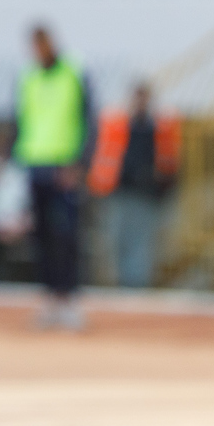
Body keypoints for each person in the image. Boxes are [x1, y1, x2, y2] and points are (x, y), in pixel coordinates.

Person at [7, 25, 96, 328]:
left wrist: (80, 162)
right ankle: (49, 299)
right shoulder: (27, 76)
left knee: (67, 236)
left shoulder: (74, 71)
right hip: (35, 162)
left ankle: (70, 299)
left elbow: (88, 118)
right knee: (42, 237)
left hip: (64, 165)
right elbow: (20, 119)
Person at [89, 82, 180, 287]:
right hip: (119, 193)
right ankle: (119, 286)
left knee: (140, 247)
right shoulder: (118, 123)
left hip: (145, 196)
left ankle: (135, 287)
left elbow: (169, 163)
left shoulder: (158, 126)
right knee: (115, 242)